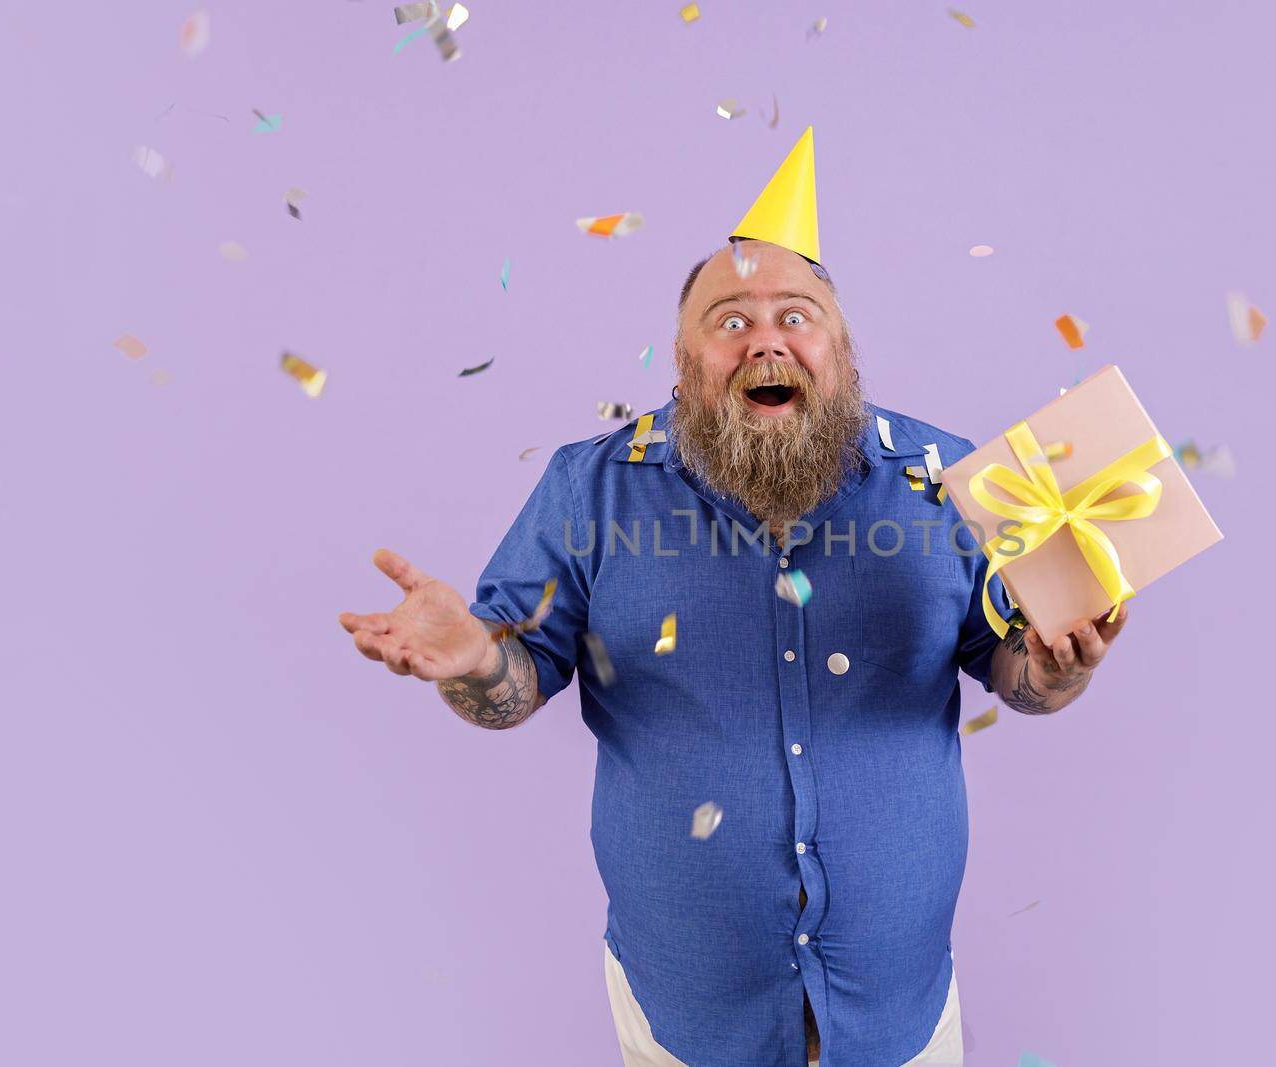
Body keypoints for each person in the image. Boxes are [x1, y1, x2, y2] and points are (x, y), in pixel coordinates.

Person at [339, 129, 1128, 1067]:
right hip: (687, 1010)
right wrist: (475, 661)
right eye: (729, 320)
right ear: (682, 361)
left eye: (797, 315)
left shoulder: (949, 478)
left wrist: (1051, 670)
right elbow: (510, 686)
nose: (767, 338)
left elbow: (1013, 670)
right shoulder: (591, 490)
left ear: (841, 351)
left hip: (897, 1005)